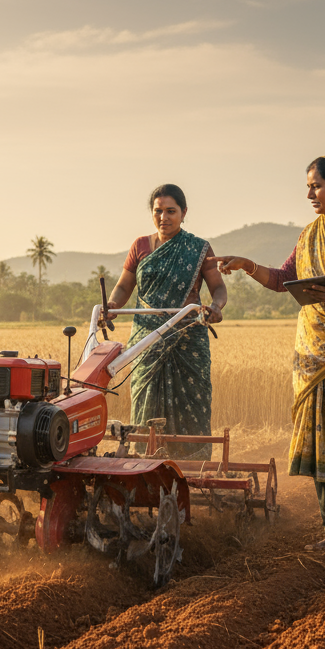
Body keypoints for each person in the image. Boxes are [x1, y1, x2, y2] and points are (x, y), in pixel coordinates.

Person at [211, 155, 325, 561]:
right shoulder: (311, 234)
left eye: (317, 185)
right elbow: (283, 280)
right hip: (315, 356)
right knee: (322, 437)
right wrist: (247, 265)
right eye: (309, 186)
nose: (310, 193)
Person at [103, 183, 227, 460]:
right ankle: (145, 460)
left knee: (191, 403)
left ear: (184, 213)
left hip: (188, 339)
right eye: (158, 211)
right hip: (147, 340)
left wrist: (216, 307)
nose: (164, 217)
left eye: (171, 211)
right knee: (146, 400)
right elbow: (124, 287)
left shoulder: (199, 248)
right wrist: (112, 304)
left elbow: (218, 288)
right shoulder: (140, 246)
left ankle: (193, 465)